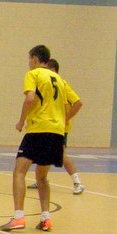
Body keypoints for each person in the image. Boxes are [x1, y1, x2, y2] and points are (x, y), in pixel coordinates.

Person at [1, 46, 81, 232]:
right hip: (57, 132)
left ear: (36, 59)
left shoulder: (34, 74)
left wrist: (21, 121)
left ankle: (18, 217)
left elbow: (29, 98)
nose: (28, 63)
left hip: (38, 129)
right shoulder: (60, 79)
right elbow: (75, 103)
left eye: (29, 59)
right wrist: (64, 120)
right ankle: (46, 218)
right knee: (42, 177)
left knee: (19, 171)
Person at [26, 58, 84, 194]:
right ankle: (40, 179)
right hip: (47, 125)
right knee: (42, 153)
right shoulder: (46, 84)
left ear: (53, 70)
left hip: (58, 127)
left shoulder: (62, 83)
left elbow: (78, 103)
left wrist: (66, 118)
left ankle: (77, 182)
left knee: (61, 155)